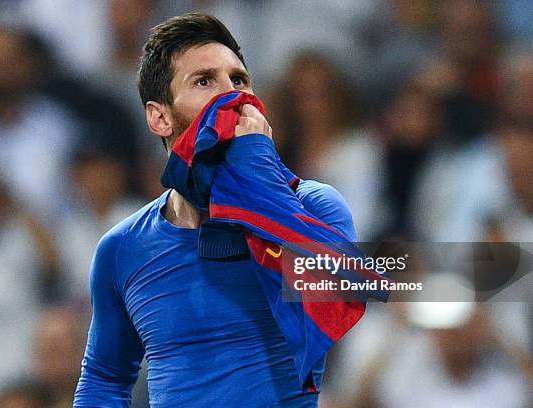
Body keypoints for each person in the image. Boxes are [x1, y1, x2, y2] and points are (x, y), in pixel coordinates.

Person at [74, 13, 356, 407]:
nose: (232, 97)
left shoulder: (314, 206)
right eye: (205, 81)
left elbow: (341, 292)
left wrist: (257, 168)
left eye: (239, 80)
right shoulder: (122, 249)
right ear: (160, 117)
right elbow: (104, 379)